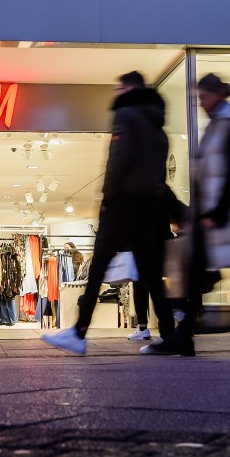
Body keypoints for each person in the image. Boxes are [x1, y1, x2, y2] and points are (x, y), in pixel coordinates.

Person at [43, 71, 173, 356]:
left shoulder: (126, 116)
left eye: (121, 87)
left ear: (130, 89)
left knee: (99, 265)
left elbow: (118, 159)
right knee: (150, 274)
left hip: (122, 205)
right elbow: (158, 174)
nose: (117, 92)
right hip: (147, 207)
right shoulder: (158, 127)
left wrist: (107, 199)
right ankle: (173, 335)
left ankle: (78, 334)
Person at [147, 73, 230, 355]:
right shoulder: (219, 125)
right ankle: (184, 334)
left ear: (219, 94)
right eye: (199, 98)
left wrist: (218, 212)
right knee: (200, 271)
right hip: (217, 214)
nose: (201, 103)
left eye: (204, 97)